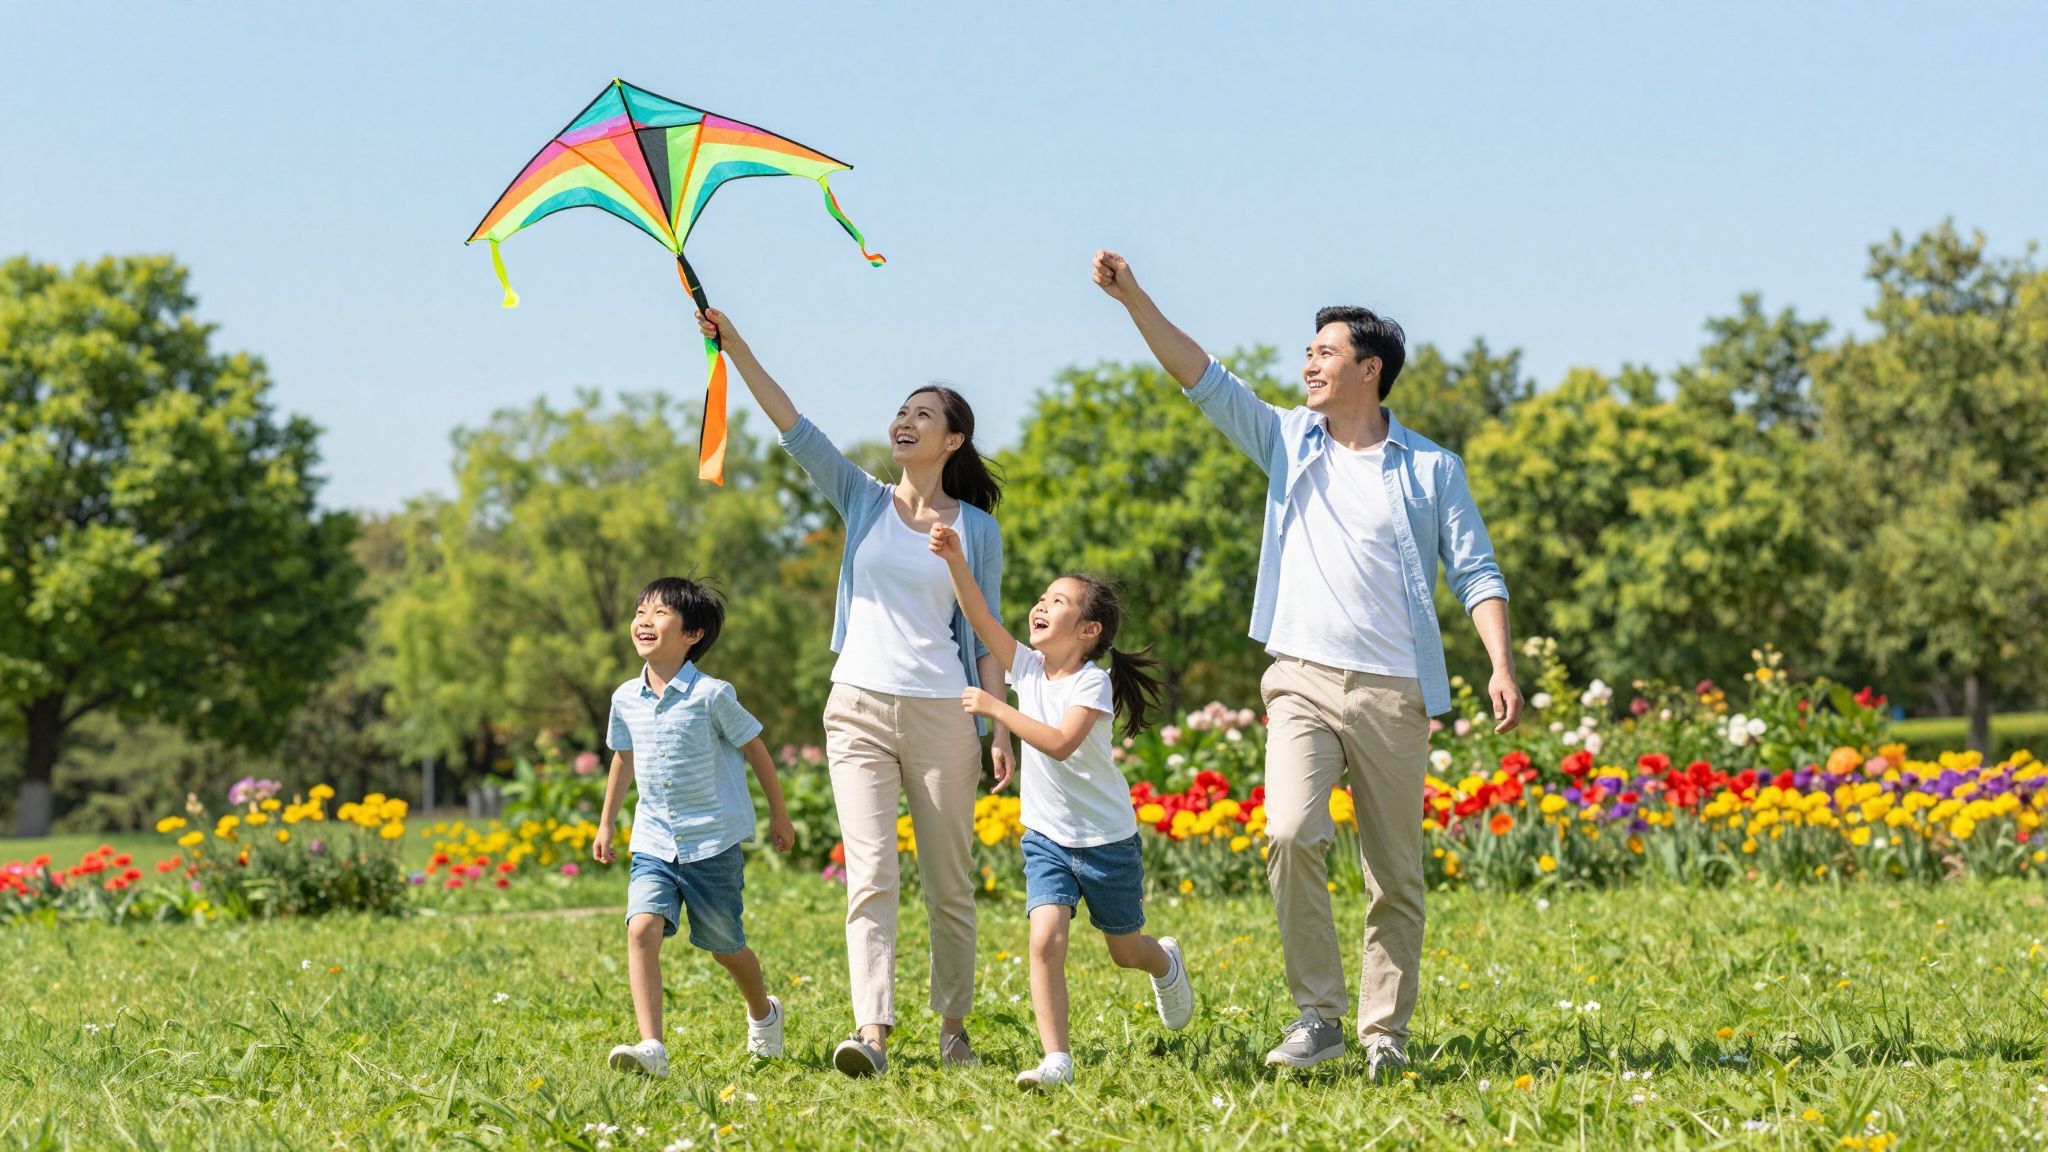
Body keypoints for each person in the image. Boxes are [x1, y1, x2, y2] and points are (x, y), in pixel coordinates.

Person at [1090, 251, 1523, 1077]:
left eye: (1325, 353)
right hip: (1300, 679)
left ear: (1371, 369)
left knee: (1393, 874)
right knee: (1290, 831)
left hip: (1395, 691)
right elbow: (1203, 377)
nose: (1309, 364)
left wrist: (1499, 663)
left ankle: (1383, 1035)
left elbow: (1476, 571)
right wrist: (1133, 298)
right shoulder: (1290, 440)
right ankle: (1317, 1015)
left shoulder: (1432, 469)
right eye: (1309, 352)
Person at [695, 308, 1015, 1076]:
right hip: (859, 707)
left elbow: (986, 634)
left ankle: (953, 1030)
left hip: (944, 710)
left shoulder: (976, 529)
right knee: (869, 874)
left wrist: (1000, 726)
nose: (905, 421)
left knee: (949, 882)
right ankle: (871, 1031)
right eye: (902, 411)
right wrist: (735, 345)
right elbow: (793, 426)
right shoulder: (864, 498)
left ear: (953, 441)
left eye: (924, 415)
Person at [929, 523, 1195, 1089]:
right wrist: (955, 559)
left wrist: (995, 711)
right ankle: (1058, 1060)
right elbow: (979, 619)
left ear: (1089, 630)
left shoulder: (1090, 685)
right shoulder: (1026, 667)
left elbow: (1058, 743)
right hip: (1047, 836)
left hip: (1105, 841)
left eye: (1058, 601)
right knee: (1045, 939)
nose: (1041, 606)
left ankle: (1164, 961)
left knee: (1125, 952)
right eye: (1042, 598)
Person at [594, 576, 797, 1077]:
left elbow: (756, 749)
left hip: (712, 843)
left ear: (693, 634)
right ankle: (652, 1048)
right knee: (641, 927)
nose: (644, 619)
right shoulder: (625, 698)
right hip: (654, 840)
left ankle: (764, 1014)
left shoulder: (712, 695)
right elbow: (624, 758)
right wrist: (606, 825)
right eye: (640, 610)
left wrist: (779, 813)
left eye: (660, 612)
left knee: (726, 948)